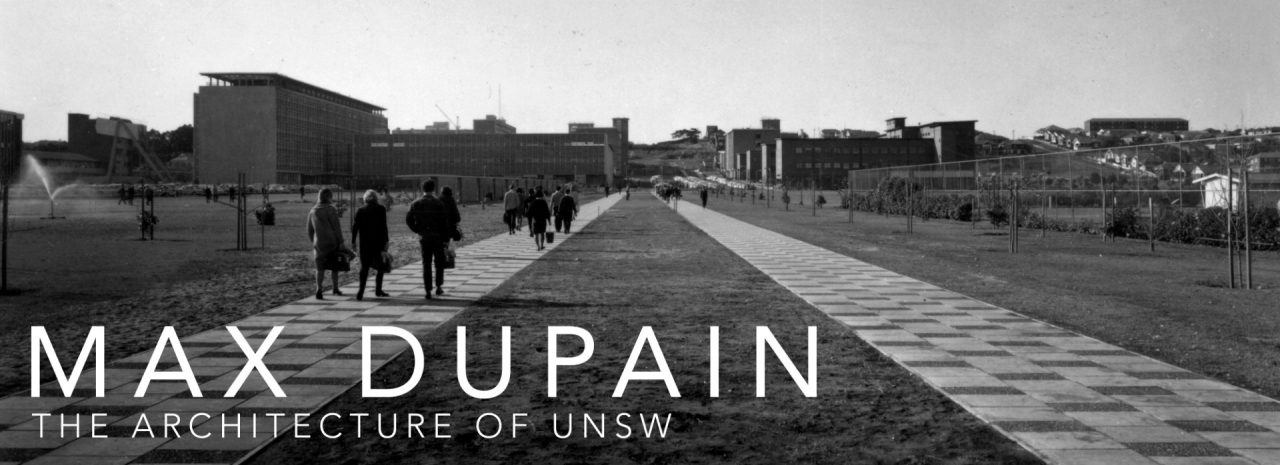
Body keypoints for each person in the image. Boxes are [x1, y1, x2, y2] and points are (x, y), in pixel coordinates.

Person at [406, 179, 452, 299]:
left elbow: (409, 219)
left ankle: (427, 289)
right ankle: (438, 286)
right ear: (433, 189)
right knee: (439, 262)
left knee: (426, 263)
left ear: (423, 189)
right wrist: (446, 239)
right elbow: (444, 223)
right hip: (438, 236)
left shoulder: (416, 203)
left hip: (424, 237)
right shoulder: (438, 203)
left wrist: (417, 230)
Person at [307, 188, 347, 300]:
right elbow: (336, 227)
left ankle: (318, 289)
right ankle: (335, 288)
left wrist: (313, 241)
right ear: (329, 197)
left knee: (319, 268)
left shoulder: (313, 210)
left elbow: (309, 229)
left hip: (319, 243)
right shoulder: (330, 209)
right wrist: (341, 242)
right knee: (335, 266)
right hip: (331, 242)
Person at [352, 190, 390, 301]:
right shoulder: (381, 209)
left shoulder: (360, 210)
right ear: (375, 198)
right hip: (378, 243)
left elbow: (355, 227)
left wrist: (353, 242)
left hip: (365, 243)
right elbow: (384, 227)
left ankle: (361, 291)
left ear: (365, 199)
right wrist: (386, 241)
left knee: (364, 268)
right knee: (380, 266)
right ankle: (378, 289)